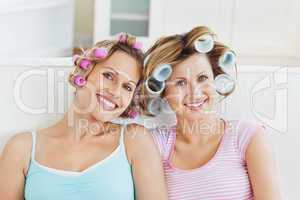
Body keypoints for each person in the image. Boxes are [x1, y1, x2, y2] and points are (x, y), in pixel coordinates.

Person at [0, 33, 168, 200]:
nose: (116, 92)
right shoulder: (21, 148)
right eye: (108, 76)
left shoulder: (135, 140)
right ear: (84, 72)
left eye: (127, 87)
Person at [142, 26, 281, 200]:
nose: (195, 93)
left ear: (216, 80)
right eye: (180, 83)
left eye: (202, 78)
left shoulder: (246, 136)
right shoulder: (155, 144)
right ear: (164, 93)